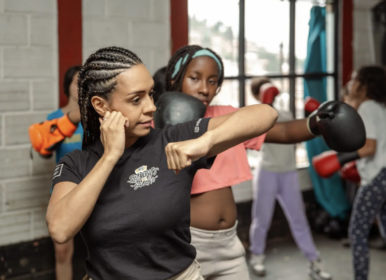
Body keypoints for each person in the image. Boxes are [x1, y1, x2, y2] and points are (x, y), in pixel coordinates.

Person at [46, 46, 279, 280]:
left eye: (151, 94)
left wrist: (205, 142)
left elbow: (265, 115)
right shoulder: (76, 163)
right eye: (136, 99)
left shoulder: (170, 139)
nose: (151, 107)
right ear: (101, 106)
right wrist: (110, 157)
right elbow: (60, 229)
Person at [164, 45, 363, 280]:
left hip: (230, 244)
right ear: (177, 78)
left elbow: (283, 132)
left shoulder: (226, 116)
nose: (204, 88)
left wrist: (318, 123)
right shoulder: (163, 125)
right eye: (195, 78)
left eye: (212, 81)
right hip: (189, 243)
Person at [248, 77, 331, 279]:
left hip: (289, 173)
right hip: (267, 172)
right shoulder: (254, 115)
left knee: (299, 220)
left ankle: (313, 261)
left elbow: (295, 131)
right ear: (258, 95)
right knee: (261, 219)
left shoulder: (285, 113)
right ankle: (256, 255)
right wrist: (264, 105)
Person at [313, 66, 386, 280]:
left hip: (378, 177)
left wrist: (338, 159)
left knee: (356, 233)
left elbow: (369, 147)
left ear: (366, 86)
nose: (350, 82)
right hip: (383, 174)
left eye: (354, 79)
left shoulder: (368, 107)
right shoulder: (381, 106)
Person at [45, 65, 82, 280]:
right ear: (67, 86)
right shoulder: (55, 118)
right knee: (62, 252)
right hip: (64, 192)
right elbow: (44, 151)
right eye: (77, 82)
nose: (81, 87)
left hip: (93, 191)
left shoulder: (95, 117)